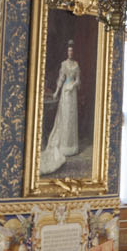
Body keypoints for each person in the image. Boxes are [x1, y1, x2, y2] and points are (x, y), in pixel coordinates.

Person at [40, 42, 82, 175]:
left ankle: (71, 146)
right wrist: (57, 92)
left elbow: (78, 80)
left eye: (72, 51)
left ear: (73, 53)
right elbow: (61, 79)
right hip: (64, 92)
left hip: (72, 93)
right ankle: (63, 146)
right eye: (68, 51)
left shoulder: (76, 65)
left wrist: (73, 85)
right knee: (65, 118)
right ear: (67, 52)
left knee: (71, 118)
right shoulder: (64, 64)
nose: (70, 53)